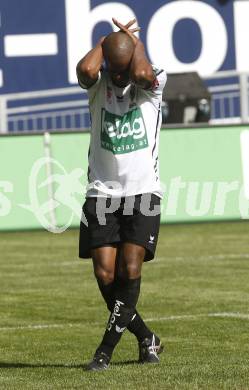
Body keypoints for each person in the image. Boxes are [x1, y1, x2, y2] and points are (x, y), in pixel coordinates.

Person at [77, 18, 167, 371]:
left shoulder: (151, 84)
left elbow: (144, 75)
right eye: (111, 69)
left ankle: (104, 351)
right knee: (105, 275)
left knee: (130, 269)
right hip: (101, 193)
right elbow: (86, 68)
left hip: (143, 193)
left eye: (121, 69)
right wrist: (105, 41)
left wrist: (134, 45)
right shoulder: (98, 86)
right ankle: (147, 337)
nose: (116, 77)